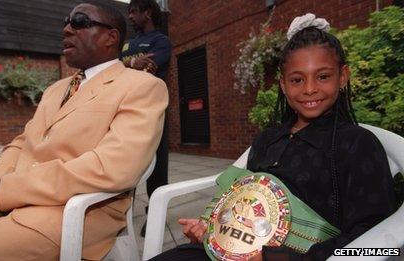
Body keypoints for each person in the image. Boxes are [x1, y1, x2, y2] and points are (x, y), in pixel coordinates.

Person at [150, 13, 396, 260]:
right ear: (283, 84)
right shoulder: (267, 139)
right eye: (297, 80)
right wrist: (211, 232)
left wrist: (279, 258)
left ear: (343, 77)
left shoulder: (357, 144)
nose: (310, 88)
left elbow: (380, 244)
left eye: (323, 76)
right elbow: (242, 203)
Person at [0, 3, 168, 260]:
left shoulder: (143, 86)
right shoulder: (55, 89)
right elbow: (23, 143)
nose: (67, 29)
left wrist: (11, 188)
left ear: (111, 37)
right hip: (7, 194)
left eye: (80, 21)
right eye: (65, 21)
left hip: (74, 209)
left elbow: (115, 167)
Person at [120, 0, 172, 237]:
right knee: (124, 162)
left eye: (133, 11)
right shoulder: (127, 44)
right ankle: (118, 212)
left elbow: (147, 68)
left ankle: (155, 211)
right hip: (125, 111)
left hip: (153, 111)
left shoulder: (161, 41)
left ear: (147, 12)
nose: (130, 16)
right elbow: (111, 68)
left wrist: (125, 67)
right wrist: (131, 62)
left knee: (157, 165)